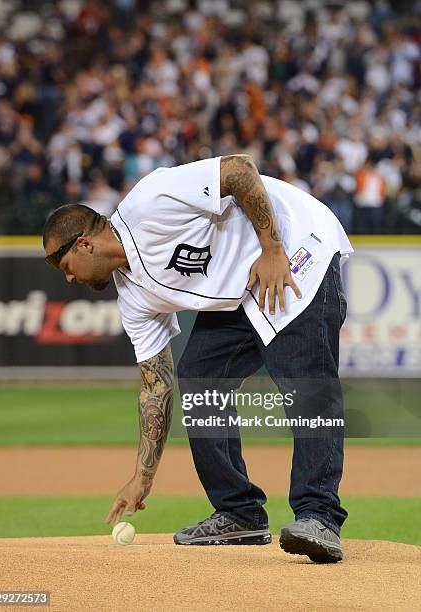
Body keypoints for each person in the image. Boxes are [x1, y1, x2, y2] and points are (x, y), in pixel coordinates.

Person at [43, 154, 353, 563]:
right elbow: (156, 387)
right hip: (241, 291)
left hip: (294, 249)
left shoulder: (150, 202)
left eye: (67, 266)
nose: (70, 278)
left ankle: (319, 516)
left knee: (306, 386)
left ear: (84, 243)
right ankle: (239, 511)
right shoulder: (134, 298)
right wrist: (142, 477)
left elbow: (240, 169)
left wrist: (273, 248)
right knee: (198, 376)